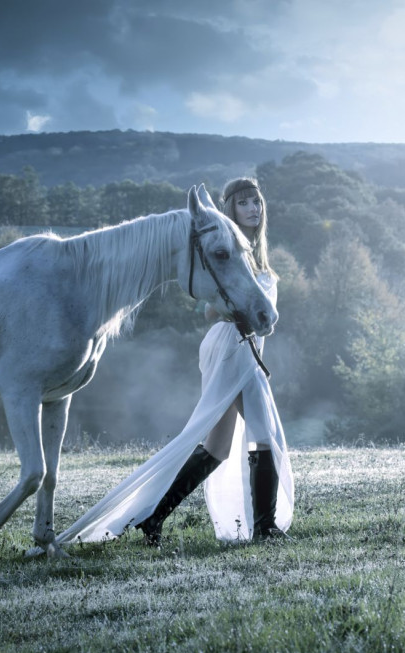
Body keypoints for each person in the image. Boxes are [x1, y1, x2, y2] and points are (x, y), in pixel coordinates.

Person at [47, 177, 293, 549]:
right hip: (232, 348)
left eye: (257, 202)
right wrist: (241, 315)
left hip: (242, 347)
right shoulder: (224, 249)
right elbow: (211, 309)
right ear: (230, 210)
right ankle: (264, 527)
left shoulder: (253, 253)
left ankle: (153, 517)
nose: (254, 209)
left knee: (218, 446)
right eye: (244, 203)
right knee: (265, 433)